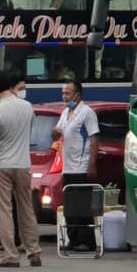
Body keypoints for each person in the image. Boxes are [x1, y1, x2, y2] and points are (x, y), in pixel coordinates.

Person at [0, 70, 42, 268]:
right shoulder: (27, 107)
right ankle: (33, 251)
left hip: (1, 166)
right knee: (26, 208)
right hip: (23, 164)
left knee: (4, 211)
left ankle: (11, 255)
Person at [55, 79, 101, 252]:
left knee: (82, 206)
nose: (64, 96)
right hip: (68, 167)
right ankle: (73, 240)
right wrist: (54, 133)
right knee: (70, 206)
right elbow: (57, 132)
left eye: (67, 93)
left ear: (77, 95)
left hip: (81, 167)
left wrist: (91, 164)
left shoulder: (86, 113)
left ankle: (87, 241)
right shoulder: (65, 113)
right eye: (63, 93)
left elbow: (94, 138)